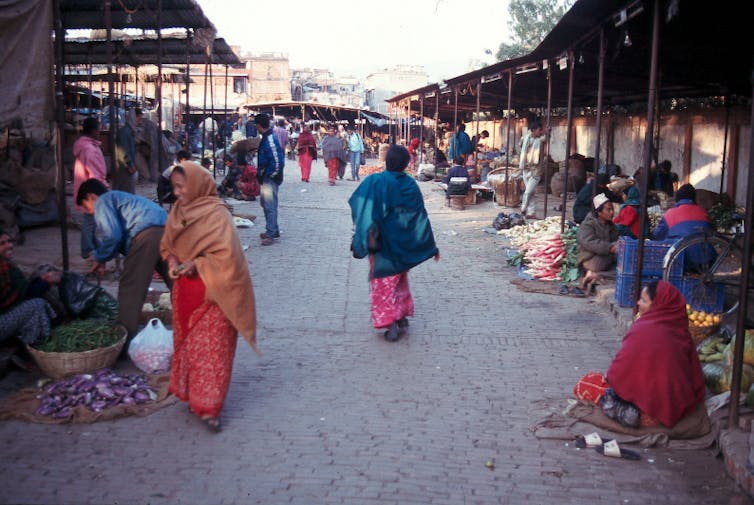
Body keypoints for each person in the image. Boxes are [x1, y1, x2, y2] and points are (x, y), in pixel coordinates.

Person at [160, 162, 259, 432]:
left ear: (196, 185)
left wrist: (196, 264)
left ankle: (210, 408)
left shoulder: (217, 215)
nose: (178, 193)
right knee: (190, 348)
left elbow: (229, 258)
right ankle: (193, 395)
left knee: (213, 351)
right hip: (185, 294)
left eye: (182, 187)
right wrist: (171, 260)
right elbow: (168, 244)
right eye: (175, 187)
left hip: (216, 294)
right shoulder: (179, 211)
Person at [348, 145, 440, 342]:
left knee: (383, 284)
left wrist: (360, 237)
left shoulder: (375, 181)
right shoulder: (410, 184)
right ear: (406, 165)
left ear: (386, 161)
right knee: (399, 280)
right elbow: (419, 217)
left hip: (382, 247)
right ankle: (401, 317)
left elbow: (360, 205)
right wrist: (431, 246)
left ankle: (390, 324)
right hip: (403, 246)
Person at [76, 178, 171, 340]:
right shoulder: (119, 198)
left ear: (92, 196)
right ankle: (194, 321)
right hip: (166, 230)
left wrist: (100, 257)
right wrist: (104, 258)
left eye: (86, 207)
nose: (90, 213)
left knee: (131, 286)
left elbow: (113, 236)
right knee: (175, 279)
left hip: (147, 234)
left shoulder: (103, 201)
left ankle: (123, 337)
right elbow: (117, 238)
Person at [602, 280, 705, 428]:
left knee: (606, 396)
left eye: (643, 300)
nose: (638, 303)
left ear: (657, 305)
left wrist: (610, 379)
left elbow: (617, 373)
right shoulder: (681, 331)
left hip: (643, 413)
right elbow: (693, 376)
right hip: (677, 409)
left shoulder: (642, 329)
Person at [0, 229, 59, 345]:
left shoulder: (7, 266)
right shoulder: (4, 270)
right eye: (2, 243)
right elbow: (29, 293)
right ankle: (37, 343)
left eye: (9, 241)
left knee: (40, 274)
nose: (9, 245)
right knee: (37, 304)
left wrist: (42, 279)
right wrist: (47, 281)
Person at [652, 183, 714, 270]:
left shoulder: (670, 213)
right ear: (694, 198)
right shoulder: (703, 212)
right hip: (706, 261)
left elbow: (657, 236)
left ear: (677, 198)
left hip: (682, 261)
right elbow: (711, 233)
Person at [73, 117, 108, 259]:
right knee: (90, 222)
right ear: (94, 131)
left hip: (86, 188)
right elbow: (94, 174)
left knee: (91, 222)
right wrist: (101, 190)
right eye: (99, 129)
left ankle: (93, 246)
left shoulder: (86, 146)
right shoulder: (89, 149)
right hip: (91, 191)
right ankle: (88, 249)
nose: (100, 132)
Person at [577, 193, 619, 291]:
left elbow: (615, 239)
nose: (612, 212)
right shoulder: (588, 224)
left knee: (623, 270)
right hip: (591, 259)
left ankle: (595, 275)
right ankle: (595, 273)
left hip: (605, 256)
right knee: (619, 269)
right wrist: (610, 248)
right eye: (608, 209)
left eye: (612, 209)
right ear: (599, 212)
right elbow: (589, 242)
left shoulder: (610, 225)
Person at [254, 113, 284, 246]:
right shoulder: (267, 138)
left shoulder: (270, 139)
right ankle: (274, 229)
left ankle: (270, 233)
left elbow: (278, 161)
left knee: (269, 205)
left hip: (269, 177)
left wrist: (270, 175)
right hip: (267, 176)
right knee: (267, 204)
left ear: (259, 126)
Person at [518, 119, 545, 219]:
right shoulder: (526, 138)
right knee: (531, 192)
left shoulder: (541, 139)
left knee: (528, 192)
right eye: (539, 130)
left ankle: (523, 209)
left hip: (536, 170)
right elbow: (520, 145)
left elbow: (546, 138)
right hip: (526, 168)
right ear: (533, 130)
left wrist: (548, 132)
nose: (540, 132)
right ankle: (531, 212)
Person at [112, 109, 142, 193]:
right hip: (123, 168)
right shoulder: (124, 132)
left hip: (125, 167)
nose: (140, 122)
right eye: (139, 119)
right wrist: (130, 166)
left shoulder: (131, 132)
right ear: (133, 118)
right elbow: (124, 151)